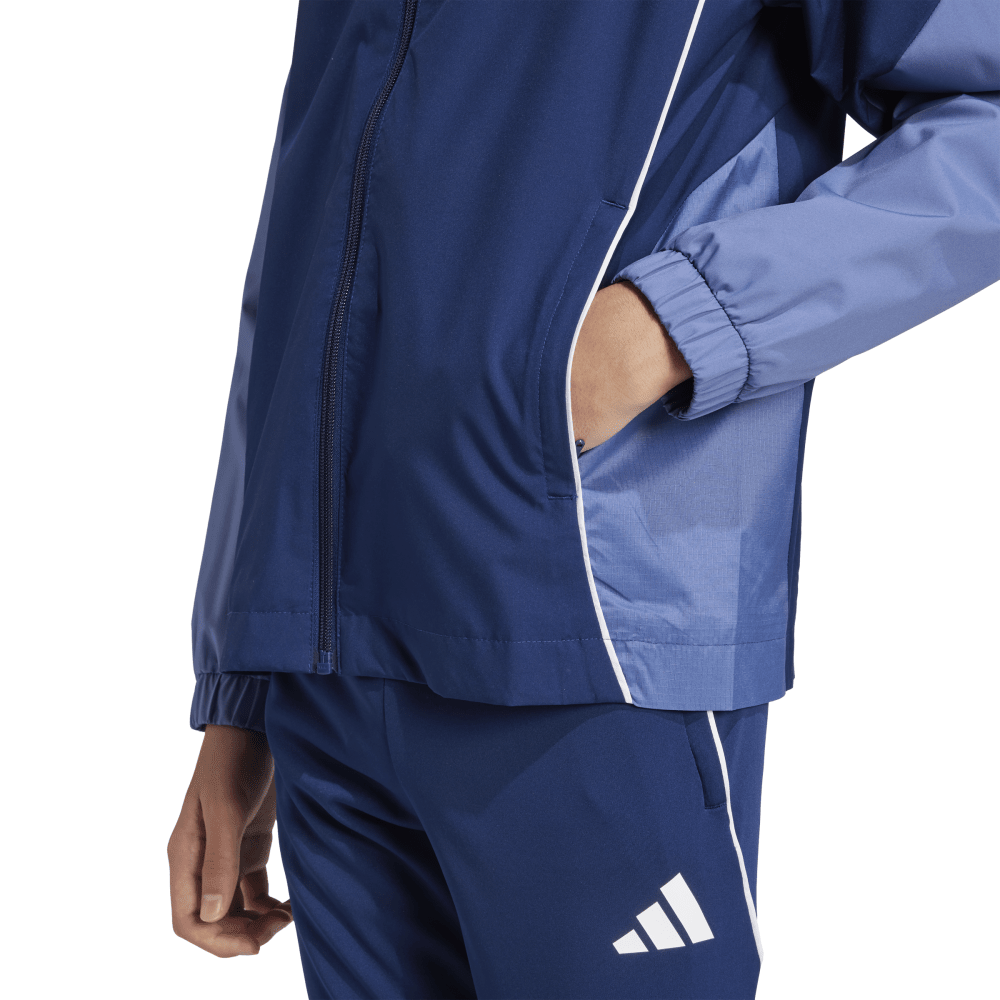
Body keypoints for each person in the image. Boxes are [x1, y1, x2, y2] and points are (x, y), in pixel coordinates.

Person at [167, 2, 999, 997]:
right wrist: (247, 684)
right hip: (327, 688)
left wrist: (681, 320)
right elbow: (316, 238)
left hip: (586, 634)